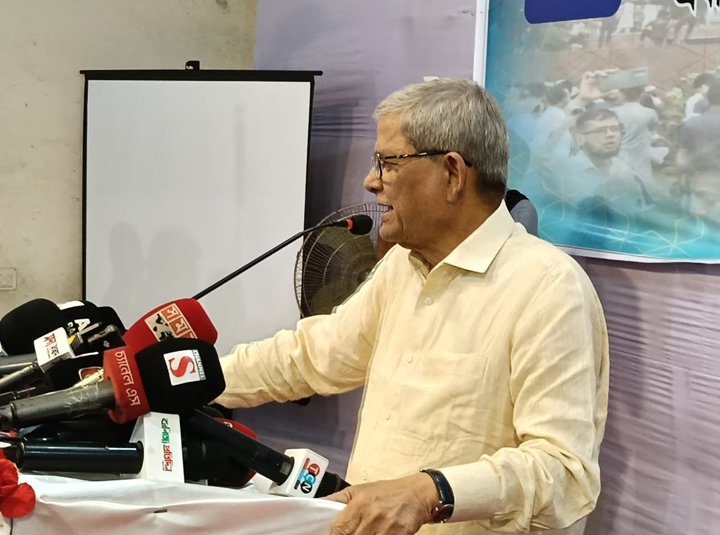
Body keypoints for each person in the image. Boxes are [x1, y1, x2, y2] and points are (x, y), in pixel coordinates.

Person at [217, 78, 609, 535]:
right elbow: (311, 357)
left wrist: (431, 492)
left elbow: (563, 471)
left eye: (388, 163)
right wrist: (193, 381)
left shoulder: (548, 287)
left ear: (452, 174)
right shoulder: (401, 265)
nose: (370, 181)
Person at [611, 86, 659, 183]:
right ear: (640, 94)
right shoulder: (650, 113)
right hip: (640, 155)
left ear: (623, 94)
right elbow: (652, 130)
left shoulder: (613, 112)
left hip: (619, 155)